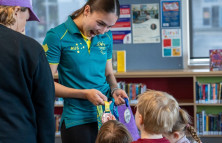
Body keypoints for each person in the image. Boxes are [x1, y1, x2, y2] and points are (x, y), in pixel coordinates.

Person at [43, 0, 128, 143]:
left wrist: (114, 89)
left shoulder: (106, 36)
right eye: (100, 23)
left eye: (109, 26)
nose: (102, 31)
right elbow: (46, 84)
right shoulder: (56, 36)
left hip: (107, 115)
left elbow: (108, 74)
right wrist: (84, 94)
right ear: (87, 10)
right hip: (77, 118)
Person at [0, 0, 55, 143]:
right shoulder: (30, 49)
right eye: (26, 19)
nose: (25, 25)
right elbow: (44, 107)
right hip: (18, 135)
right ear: (16, 11)